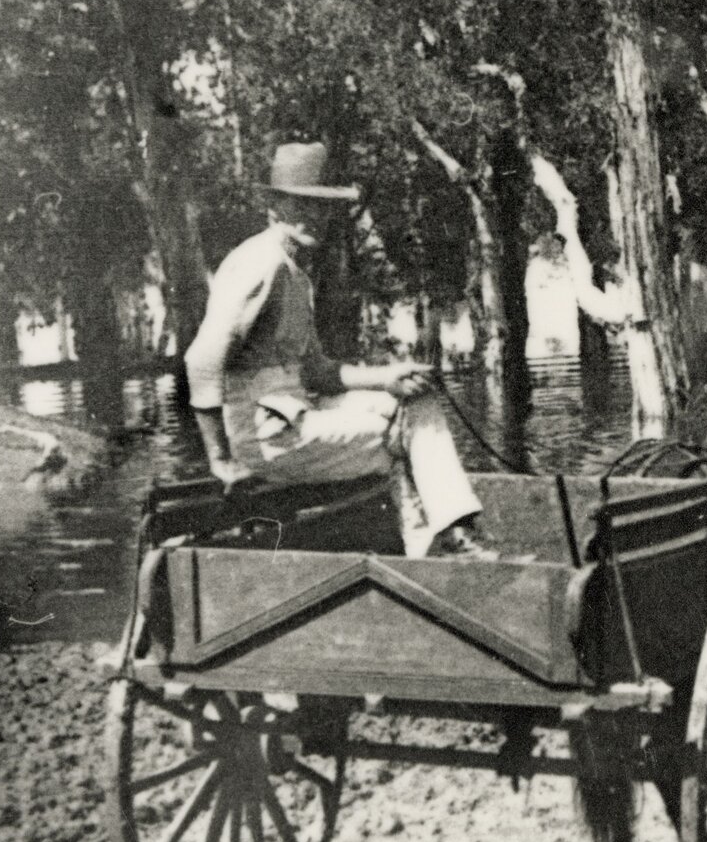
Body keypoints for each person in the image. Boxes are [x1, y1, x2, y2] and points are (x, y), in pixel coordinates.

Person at [183, 142, 489, 559]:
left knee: (413, 400)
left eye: (323, 206)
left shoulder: (294, 273)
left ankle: (441, 541)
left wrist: (388, 377)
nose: (315, 215)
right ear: (274, 206)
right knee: (400, 436)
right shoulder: (260, 264)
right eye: (301, 204)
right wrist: (220, 460)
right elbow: (201, 360)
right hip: (264, 439)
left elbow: (316, 374)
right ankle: (441, 545)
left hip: (292, 419)